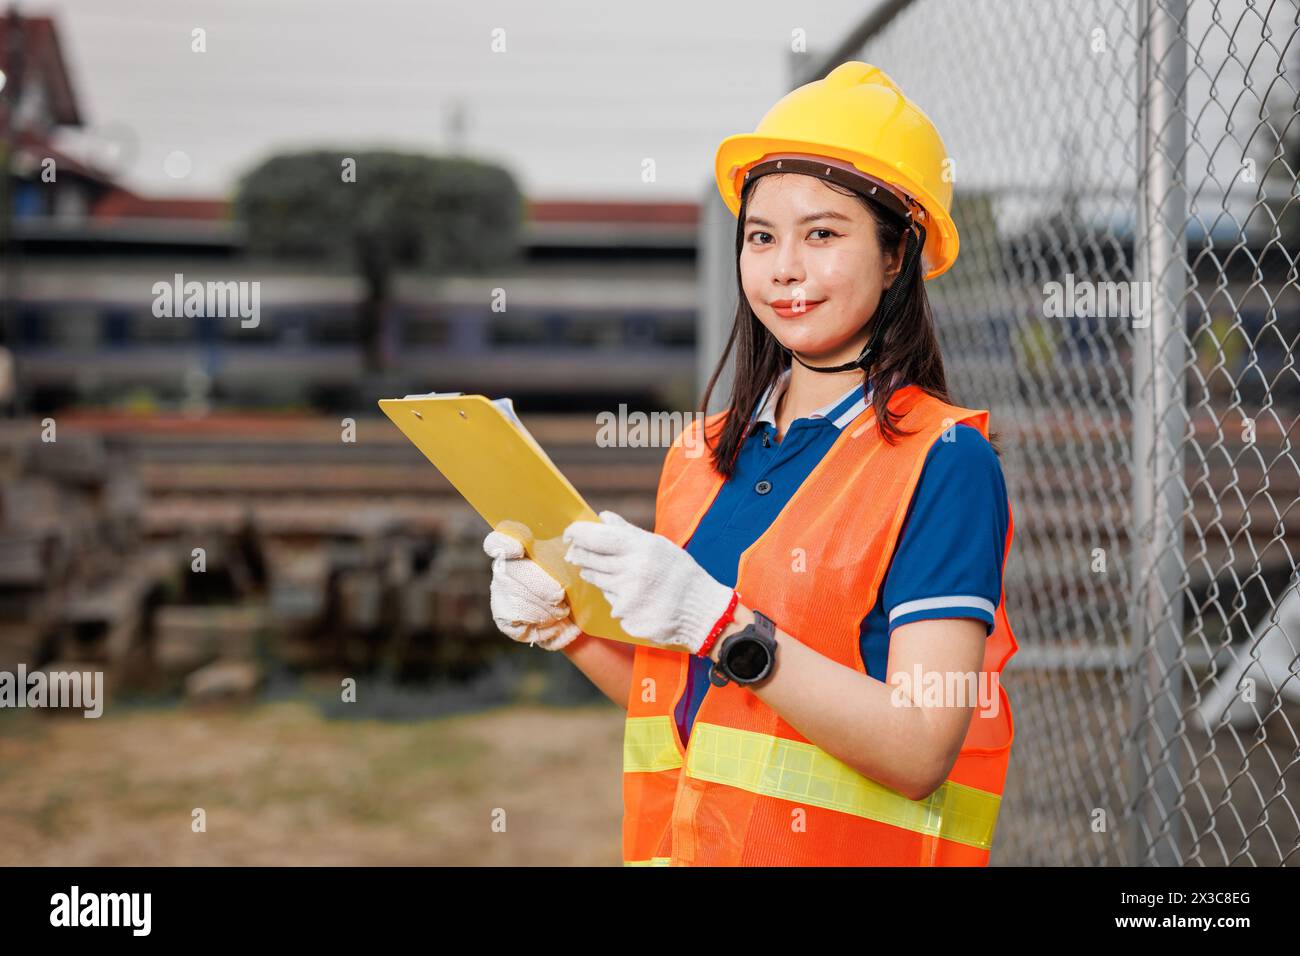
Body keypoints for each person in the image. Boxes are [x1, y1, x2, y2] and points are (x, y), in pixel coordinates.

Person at [483, 61, 1018, 866]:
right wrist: (569, 632)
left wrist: (720, 622)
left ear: (898, 252)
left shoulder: (943, 461)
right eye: (762, 236)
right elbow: (685, 703)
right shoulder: (700, 453)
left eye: (823, 233)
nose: (784, 268)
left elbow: (918, 751)